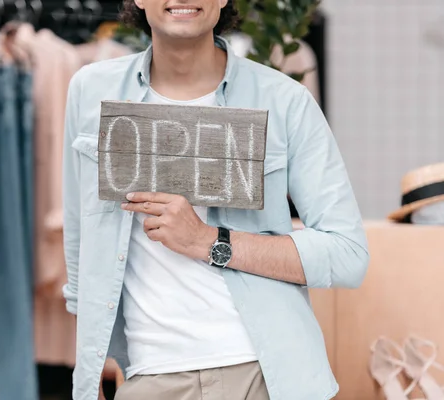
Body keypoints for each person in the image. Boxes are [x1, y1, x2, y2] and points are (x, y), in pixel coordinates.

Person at [61, 0, 369, 398]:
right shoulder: (90, 91)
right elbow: (79, 244)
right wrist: (88, 375)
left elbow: (348, 254)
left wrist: (210, 241)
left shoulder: (284, 100)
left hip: (266, 374)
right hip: (149, 377)